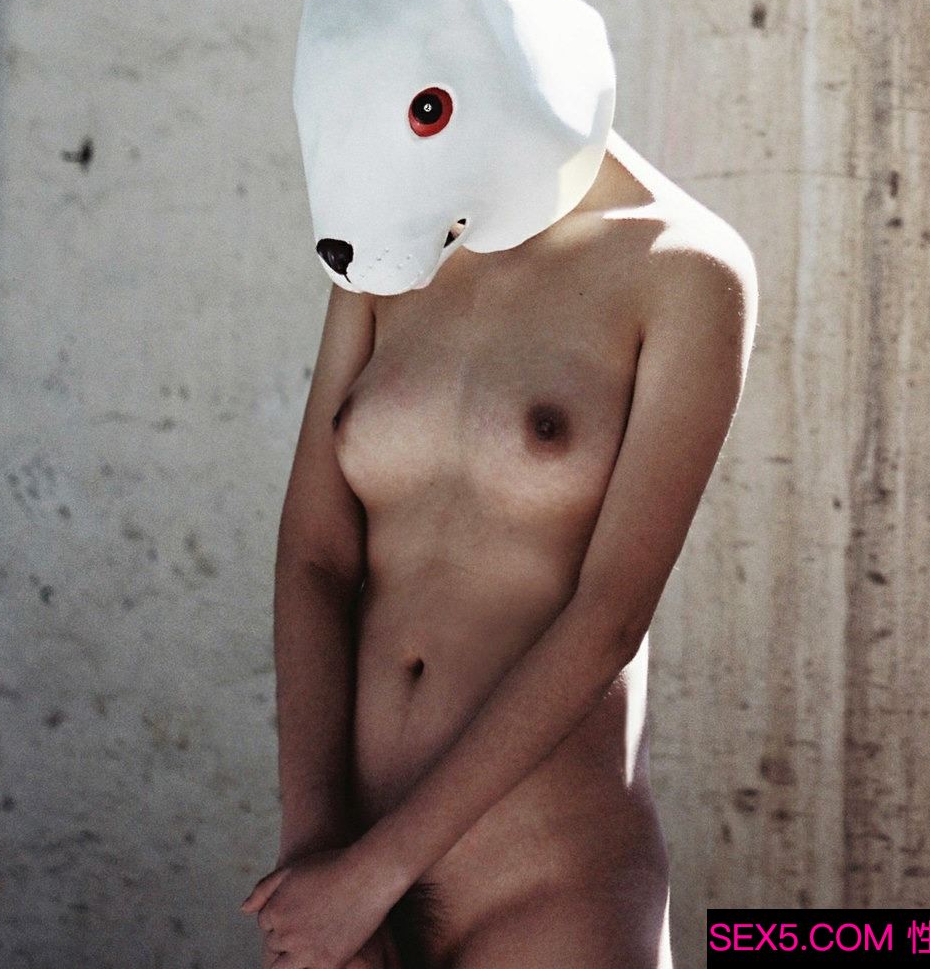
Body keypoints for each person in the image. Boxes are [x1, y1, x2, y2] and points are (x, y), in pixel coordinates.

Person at [242, 127, 753, 969]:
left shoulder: (683, 266)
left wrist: (373, 876)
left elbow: (611, 617)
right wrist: (315, 858)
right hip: (345, 892)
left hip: (551, 890)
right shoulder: (391, 248)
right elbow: (314, 557)